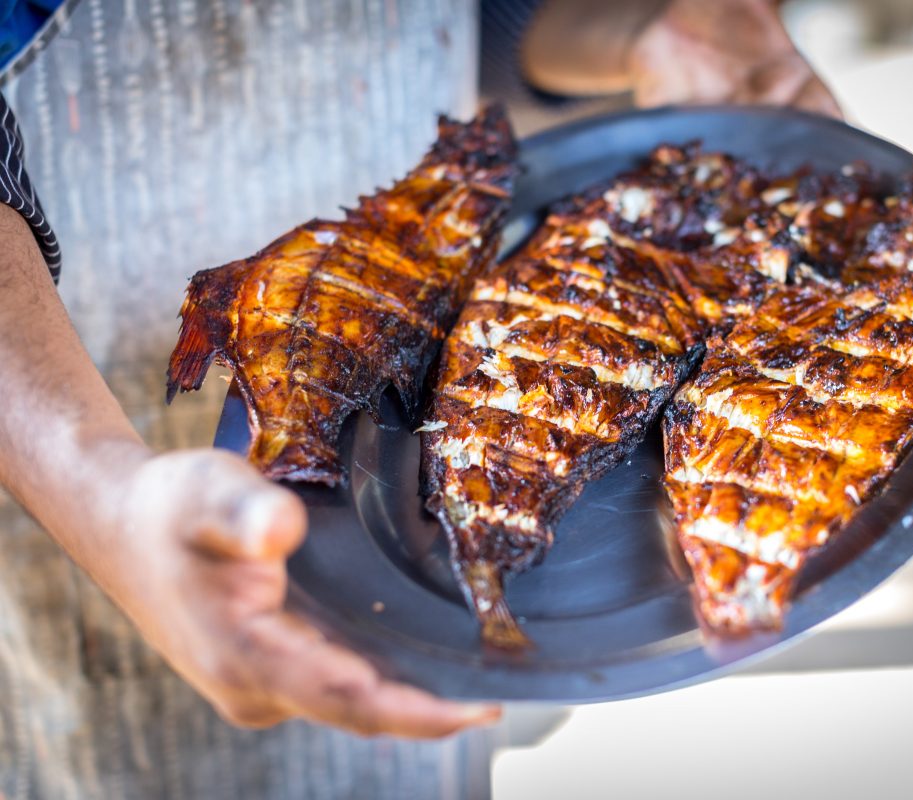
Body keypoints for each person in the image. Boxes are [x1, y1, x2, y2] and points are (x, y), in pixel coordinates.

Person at [0, 0, 837, 796]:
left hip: (411, 381)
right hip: (76, 439)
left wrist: (642, 21)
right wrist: (100, 490)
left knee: (422, 725)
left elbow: (483, 17)